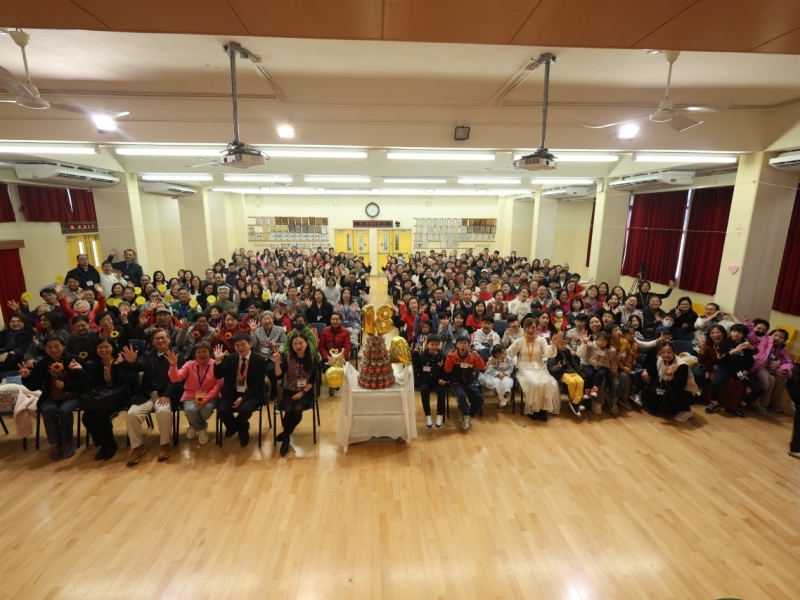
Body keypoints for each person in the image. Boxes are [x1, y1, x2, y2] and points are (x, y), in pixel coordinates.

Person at [19, 335, 90, 459]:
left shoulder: (74, 360)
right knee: (48, 410)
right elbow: (34, 386)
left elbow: (87, 382)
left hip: (72, 395)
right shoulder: (42, 364)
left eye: (57, 346)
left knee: (64, 410)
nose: (53, 350)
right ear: (45, 348)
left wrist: (66, 386)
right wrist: (26, 377)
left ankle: (67, 442)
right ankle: (54, 444)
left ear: (64, 346)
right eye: (49, 347)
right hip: (50, 396)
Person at [122, 330, 185, 465]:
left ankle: (164, 444)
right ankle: (138, 446)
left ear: (169, 340)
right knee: (132, 414)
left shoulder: (177, 355)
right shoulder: (148, 355)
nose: (160, 341)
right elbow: (137, 367)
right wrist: (131, 362)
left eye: (163, 338)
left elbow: (179, 379)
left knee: (163, 411)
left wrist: (168, 394)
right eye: (157, 339)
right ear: (152, 342)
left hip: (166, 393)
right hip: (147, 394)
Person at [213, 333, 267, 447]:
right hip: (232, 392)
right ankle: (239, 427)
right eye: (237, 345)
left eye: (243, 344)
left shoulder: (259, 360)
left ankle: (240, 429)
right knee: (222, 411)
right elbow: (218, 375)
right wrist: (218, 361)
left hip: (251, 393)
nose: (240, 348)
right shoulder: (231, 358)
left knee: (245, 410)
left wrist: (243, 398)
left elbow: (258, 384)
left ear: (250, 344)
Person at [81, 336, 130, 460]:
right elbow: (91, 384)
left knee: (101, 415)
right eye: (100, 347)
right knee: (87, 417)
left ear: (113, 348)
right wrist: (81, 371)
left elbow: (121, 383)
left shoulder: (120, 361)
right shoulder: (93, 364)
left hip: (119, 395)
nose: (103, 350)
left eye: (106, 347)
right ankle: (103, 444)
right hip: (101, 396)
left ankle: (111, 445)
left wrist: (117, 367)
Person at [506, 319, 563, 421]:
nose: (530, 330)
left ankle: (542, 409)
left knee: (546, 382)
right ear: (524, 328)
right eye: (528, 327)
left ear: (537, 329)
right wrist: (496, 354)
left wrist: (553, 344)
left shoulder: (541, 340)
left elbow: (549, 354)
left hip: (539, 368)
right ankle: (534, 409)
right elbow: (509, 353)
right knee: (534, 383)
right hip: (524, 368)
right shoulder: (519, 341)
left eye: (533, 328)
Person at [167, 342, 222, 445]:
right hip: (191, 395)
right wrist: (173, 365)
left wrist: (206, 399)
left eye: (205, 351)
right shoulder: (189, 364)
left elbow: (218, 386)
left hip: (211, 396)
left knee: (206, 410)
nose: (202, 354)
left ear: (210, 353)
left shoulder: (216, 365)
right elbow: (176, 378)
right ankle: (201, 428)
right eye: (199, 352)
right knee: (190, 410)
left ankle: (194, 426)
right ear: (194, 354)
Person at [705, 323, 762, 417]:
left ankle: (741, 404)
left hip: (740, 370)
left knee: (759, 390)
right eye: (734, 331)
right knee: (715, 384)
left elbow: (750, 362)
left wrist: (746, 371)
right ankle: (714, 402)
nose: (736, 334)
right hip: (725, 368)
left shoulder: (746, 345)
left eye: (739, 332)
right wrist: (735, 350)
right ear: (731, 332)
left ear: (743, 335)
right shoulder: (724, 343)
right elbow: (721, 357)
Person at [273, 333, 316, 456]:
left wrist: (302, 393)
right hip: (288, 390)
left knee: (297, 409)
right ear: (291, 345)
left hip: (305, 391)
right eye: (295, 344)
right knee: (288, 409)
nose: (298, 346)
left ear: (306, 343)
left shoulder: (312, 358)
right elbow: (279, 375)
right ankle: (287, 437)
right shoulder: (288, 357)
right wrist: (277, 362)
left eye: (300, 343)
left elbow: (313, 380)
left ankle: (286, 434)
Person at [641, 342, 698, 422]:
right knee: (653, 392)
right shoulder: (660, 359)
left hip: (687, 393)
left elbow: (678, 387)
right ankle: (671, 408)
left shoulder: (682, 365)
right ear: (660, 353)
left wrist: (669, 375)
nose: (666, 354)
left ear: (674, 352)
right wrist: (645, 371)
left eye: (669, 352)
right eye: (663, 352)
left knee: (669, 394)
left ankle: (686, 410)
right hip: (668, 388)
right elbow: (652, 370)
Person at [444, 335, 486, 431]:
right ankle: (465, 414)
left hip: (469, 382)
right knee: (462, 396)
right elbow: (447, 370)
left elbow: (482, 367)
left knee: (480, 399)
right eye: (460, 343)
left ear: (468, 345)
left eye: (465, 343)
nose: (462, 345)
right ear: (457, 345)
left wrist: (477, 357)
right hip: (456, 382)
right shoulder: (452, 356)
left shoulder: (472, 356)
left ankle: (469, 415)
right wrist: (449, 358)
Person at [250, 311, 287, 402]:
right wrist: (252, 332)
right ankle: (263, 389)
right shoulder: (257, 330)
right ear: (261, 321)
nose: (266, 321)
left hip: (273, 355)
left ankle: (273, 387)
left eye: (268, 318)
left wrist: (274, 344)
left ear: (273, 319)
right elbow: (253, 346)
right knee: (255, 369)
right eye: (264, 319)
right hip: (260, 355)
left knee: (270, 369)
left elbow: (285, 344)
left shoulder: (280, 330)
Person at [577, 330, 617, 412]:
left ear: (608, 342)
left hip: (604, 366)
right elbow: (586, 344)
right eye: (600, 340)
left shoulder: (611, 350)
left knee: (601, 373)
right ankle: (587, 391)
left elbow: (613, 361)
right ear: (597, 340)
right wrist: (580, 340)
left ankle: (595, 388)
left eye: (604, 341)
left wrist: (614, 370)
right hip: (593, 364)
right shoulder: (593, 344)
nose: (601, 342)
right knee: (589, 374)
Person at [547, 335, 585, 417]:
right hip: (562, 373)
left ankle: (575, 402)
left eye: (565, 344)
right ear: (556, 344)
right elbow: (551, 368)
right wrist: (557, 367)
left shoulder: (567, 351)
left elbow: (573, 362)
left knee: (581, 382)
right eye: (562, 344)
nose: (564, 346)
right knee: (572, 382)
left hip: (572, 371)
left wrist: (579, 371)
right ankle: (575, 402)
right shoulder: (553, 352)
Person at [415, 334, 446, 428]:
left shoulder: (442, 356)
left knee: (441, 391)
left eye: (437, 345)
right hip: (424, 380)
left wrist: (443, 379)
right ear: (427, 344)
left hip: (437, 380)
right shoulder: (421, 355)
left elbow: (445, 371)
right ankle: (428, 415)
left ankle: (439, 415)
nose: (434, 347)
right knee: (424, 391)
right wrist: (414, 354)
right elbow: (416, 367)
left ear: (439, 345)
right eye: (432, 344)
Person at [320, 312, 351, 396]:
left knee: (341, 370)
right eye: (333, 319)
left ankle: (336, 383)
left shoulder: (346, 332)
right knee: (326, 368)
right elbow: (321, 347)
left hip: (341, 358)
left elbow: (347, 348)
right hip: (328, 358)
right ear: (330, 320)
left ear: (341, 320)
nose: (334, 321)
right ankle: (332, 384)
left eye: (337, 319)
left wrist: (339, 359)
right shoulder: (325, 331)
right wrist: (328, 358)